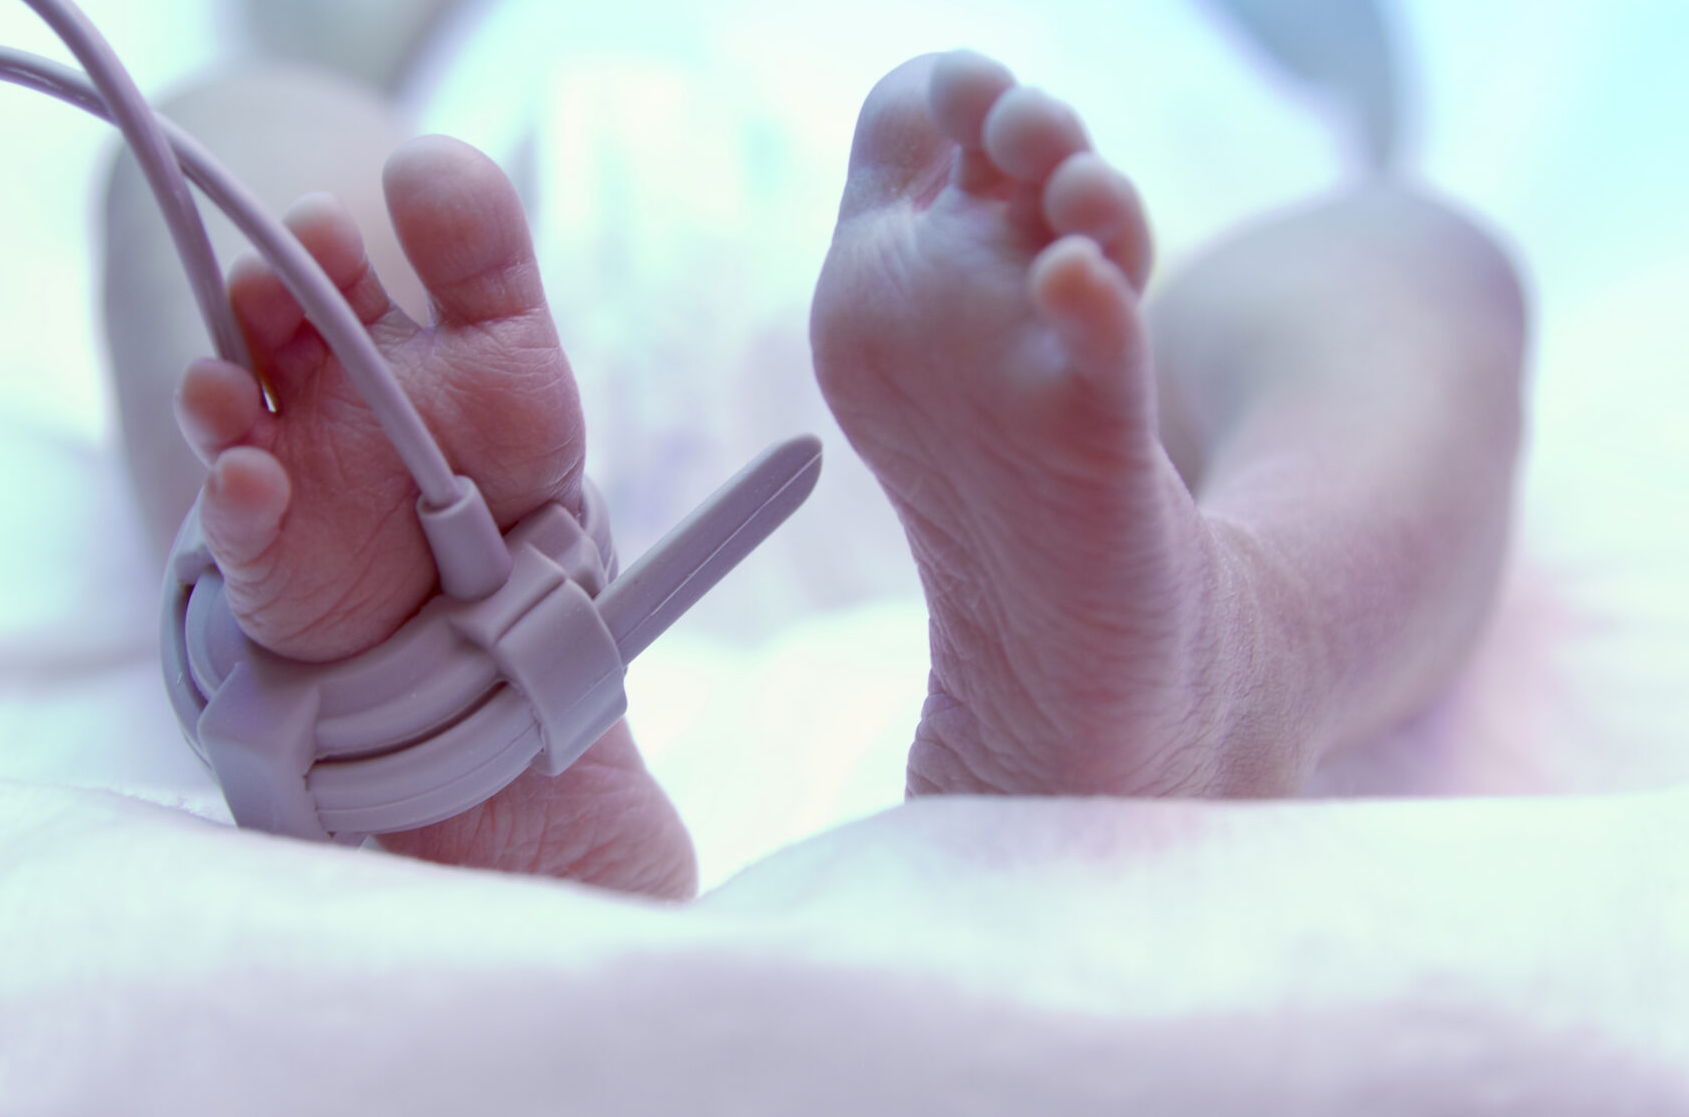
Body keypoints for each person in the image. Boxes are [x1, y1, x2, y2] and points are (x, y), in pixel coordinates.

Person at [148, 48, 1524, 901]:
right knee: (225, 126)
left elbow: (1358, 59)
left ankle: (1229, 646)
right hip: (475, 352)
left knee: (1405, 251)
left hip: (1075, 360)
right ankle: (376, 666)